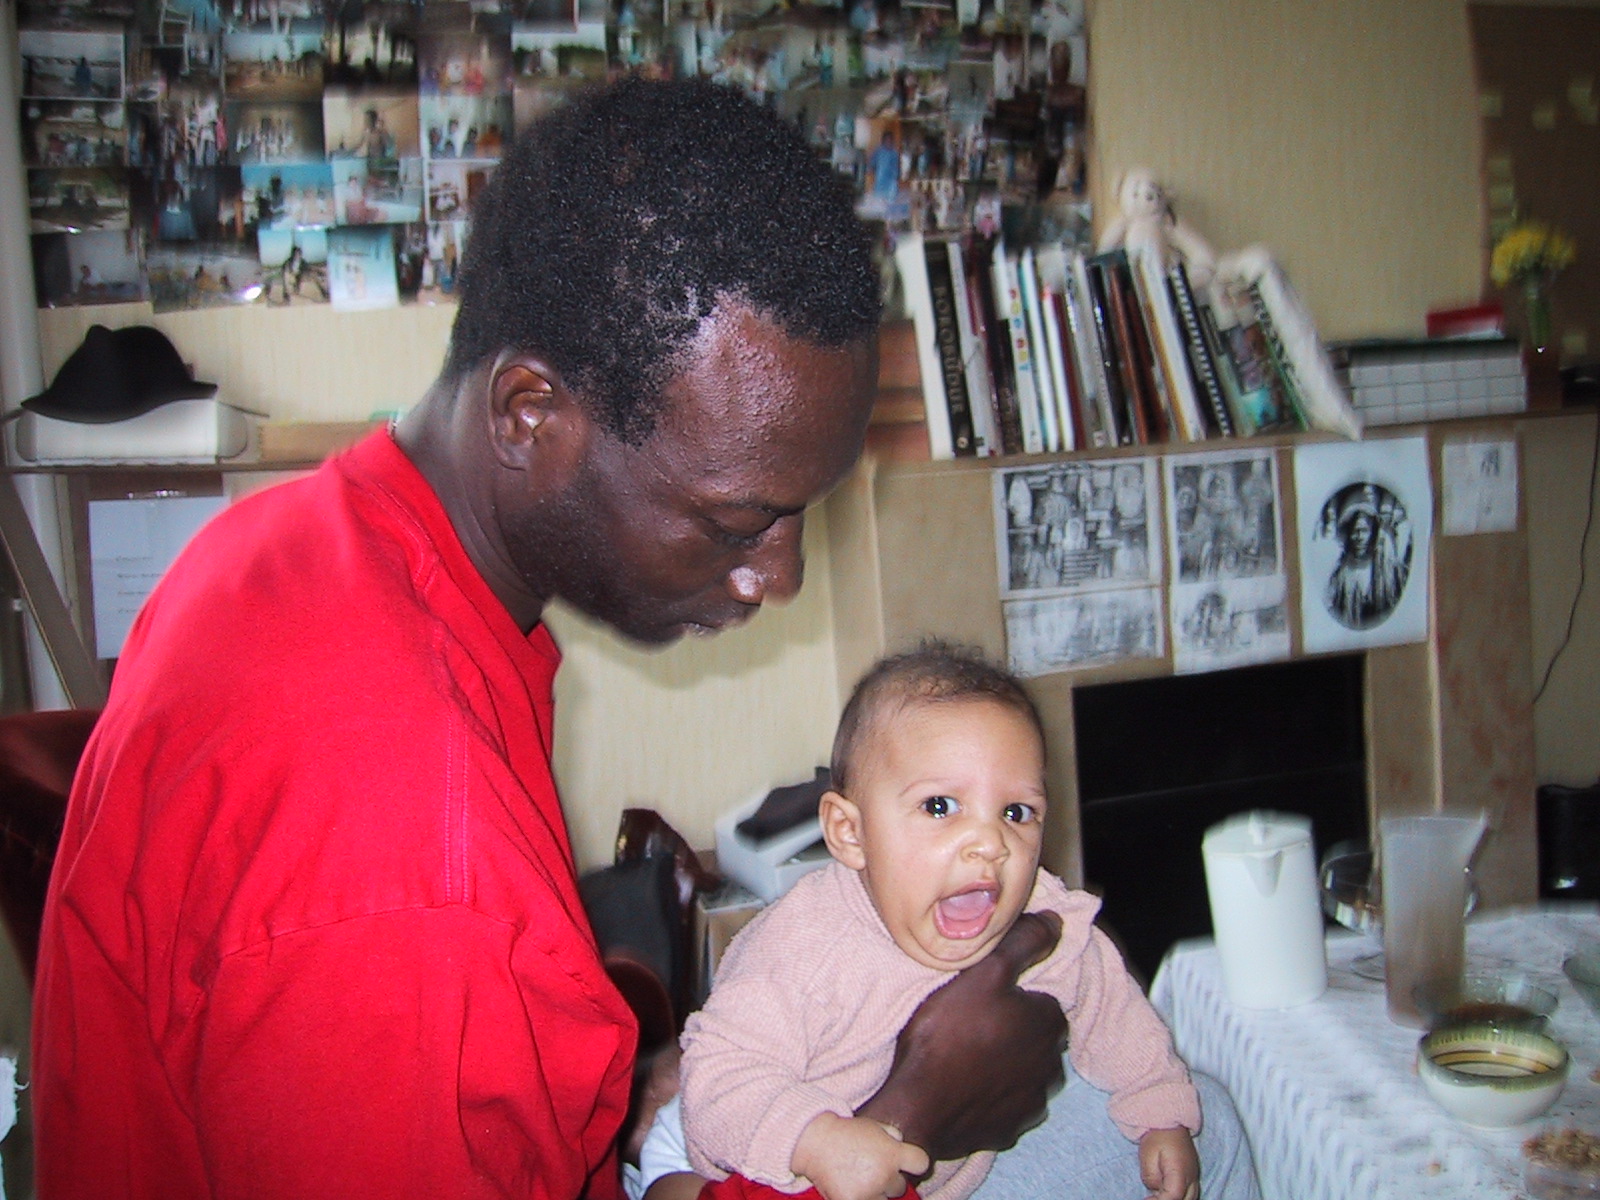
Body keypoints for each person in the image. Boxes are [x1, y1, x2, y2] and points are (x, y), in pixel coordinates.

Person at [32, 77, 1072, 1200]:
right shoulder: (410, 856)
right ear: (531, 415)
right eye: (741, 520)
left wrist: (628, 1089)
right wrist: (906, 1116)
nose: (780, 576)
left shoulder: (294, 544)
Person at [636, 644, 1263, 1200]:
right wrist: (814, 1139)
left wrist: (1159, 1112)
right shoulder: (800, 952)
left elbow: (1110, 1002)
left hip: (948, 1172)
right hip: (761, 1162)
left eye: (1016, 812)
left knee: (1206, 1116)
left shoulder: (1040, 917)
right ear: (850, 833)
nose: (990, 842)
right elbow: (719, 1078)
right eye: (940, 806)